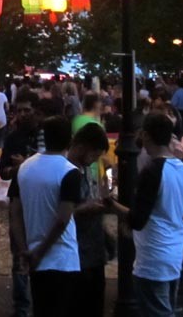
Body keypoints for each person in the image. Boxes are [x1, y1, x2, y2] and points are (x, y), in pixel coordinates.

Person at [107, 113, 183, 317]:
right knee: (166, 308)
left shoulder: (153, 171)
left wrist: (113, 205)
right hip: (174, 251)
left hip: (153, 255)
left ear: (146, 135)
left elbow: (138, 219)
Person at [9, 116, 84, 317]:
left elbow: (15, 212)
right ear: (70, 139)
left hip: (32, 251)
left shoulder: (24, 168)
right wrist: (40, 253)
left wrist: (24, 250)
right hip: (62, 257)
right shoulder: (70, 172)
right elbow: (62, 219)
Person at [0, 90, 44, 317]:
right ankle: (21, 307)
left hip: (43, 200)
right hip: (19, 197)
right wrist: (18, 168)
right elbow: (4, 173)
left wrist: (26, 163)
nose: (23, 114)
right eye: (20, 110)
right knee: (19, 251)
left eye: (28, 110)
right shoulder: (13, 138)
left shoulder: (45, 135)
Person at [69, 123, 113, 317]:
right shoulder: (67, 171)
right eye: (94, 154)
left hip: (94, 251)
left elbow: (108, 180)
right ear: (82, 146)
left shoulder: (87, 168)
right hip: (78, 253)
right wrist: (85, 208)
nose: (96, 159)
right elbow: (61, 213)